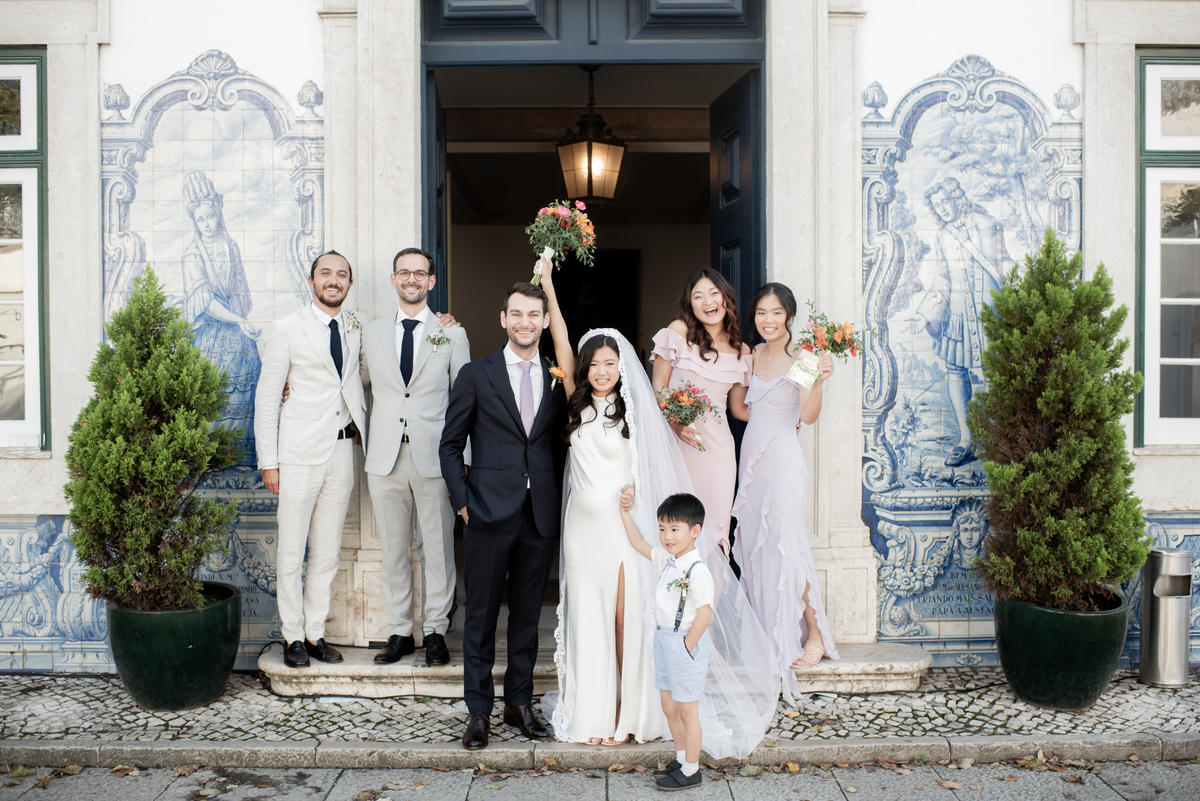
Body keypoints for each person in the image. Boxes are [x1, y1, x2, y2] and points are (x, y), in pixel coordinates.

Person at [534, 261, 661, 746]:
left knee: (627, 620)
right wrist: (548, 284)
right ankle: (594, 715)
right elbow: (561, 339)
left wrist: (636, 490)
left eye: (610, 363)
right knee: (589, 621)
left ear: (622, 366)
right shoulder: (577, 403)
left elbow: (650, 468)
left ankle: (629, 714)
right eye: (594, 364)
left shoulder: (635, 413)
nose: (602, 371)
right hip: (582, 531)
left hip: (623, 526)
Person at [439, 282, 568, 751]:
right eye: (516, 314)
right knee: (481, 616)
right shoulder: (476, 374)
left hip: (539, 515)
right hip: (487, 512)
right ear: (503, 319)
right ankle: (478, 711)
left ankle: (518, 703)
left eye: (533, 314)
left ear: (545, 321)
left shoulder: (557, 378)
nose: (524, 322)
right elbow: (450, 445)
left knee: (527, 617)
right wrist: (462, 501)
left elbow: (558, 444)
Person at [254, 251, 366, 668]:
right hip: (298, 455)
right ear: (312, 281)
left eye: (341, 275)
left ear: (349, 284)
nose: (333, 280)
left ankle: (315, 633)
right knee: (291, 550)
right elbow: (267, 399)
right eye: (325, 273)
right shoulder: (286, 329)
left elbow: (364, 375)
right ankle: (292, 637)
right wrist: (269, 462)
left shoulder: (356, 326)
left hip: (342, 451)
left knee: (327, 551)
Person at [729, 283, 839, 700]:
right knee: (756, 543)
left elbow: (808, 415)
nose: (768, 320)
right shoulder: (751, 354)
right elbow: (739, 408)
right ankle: (766, 632)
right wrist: (767, 415)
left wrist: (818, 383)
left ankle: (813, 633)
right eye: (761, 313)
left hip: (785, 462)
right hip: (752, 458)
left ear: (790, 317)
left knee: (787, 545)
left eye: (776, 313)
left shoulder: (803, 358)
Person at [361, 248, 470, 667]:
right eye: (404, 273)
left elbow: (464, 399)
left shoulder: (452, 334)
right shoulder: (370, 332)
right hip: (384, 457)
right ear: (393, 279)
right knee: (394, 549)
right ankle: (400, 631)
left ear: (431, 281)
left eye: (419, 273)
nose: (411, 279)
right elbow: (351, 382)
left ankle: (436, 630)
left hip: (435, 457)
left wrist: (463, 458)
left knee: (438, 548)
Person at [651, 268, 751, 556]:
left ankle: (710, 587)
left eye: (714, 293)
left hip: (717, 453)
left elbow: (738, 409)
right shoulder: (677, 332)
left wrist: (783, 419)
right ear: (690, 303)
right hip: (675, 446)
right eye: (698, 296)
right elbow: (658, 386)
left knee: (713, 529)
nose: (708, 301)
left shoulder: (742, 351)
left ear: (725, 298)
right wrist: (676, 424)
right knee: (672, 526)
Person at [618, 490, 713, 792]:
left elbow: (705, 613)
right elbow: (639, 544)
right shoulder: (668, 560)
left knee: (687, 711)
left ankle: (692, 770)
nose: (666, 536)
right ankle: (682, 758)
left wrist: (686, 646)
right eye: (662, 529)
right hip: (663, 639)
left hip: (684, 643)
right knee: (669, 707)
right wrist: (624, 513)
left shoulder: (697, 570)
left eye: (674, 529)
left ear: (694, 531)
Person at [911, 177, 1010, 467]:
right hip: (958, 314)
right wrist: (924, 313)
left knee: (994, 370)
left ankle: (994, 438)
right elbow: (943, 278)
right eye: (937, 205)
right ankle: (966, 440)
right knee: (956, 369)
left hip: (989, 310)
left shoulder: (987, 223)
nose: (942, 208)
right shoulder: (942, 236)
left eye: (946, 201)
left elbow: (1003, 264)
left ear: (957, 198)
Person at [182, 171, 261, 467]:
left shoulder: (231, 246)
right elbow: (205, 301)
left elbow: (240, 290)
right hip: (209, 335)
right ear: (194, 221)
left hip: (236, 334)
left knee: (245, 390)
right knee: (213, 393)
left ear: (218, 214)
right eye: (200, 219)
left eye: (210, 217)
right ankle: (211, 460)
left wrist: (242, 320)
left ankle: (240, 457)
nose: (206, 224)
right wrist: (237, 320)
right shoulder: (192, 254)